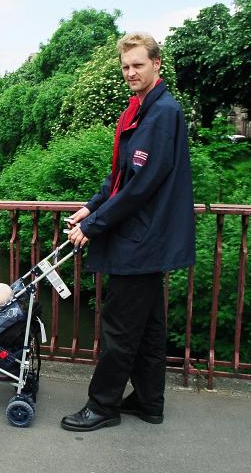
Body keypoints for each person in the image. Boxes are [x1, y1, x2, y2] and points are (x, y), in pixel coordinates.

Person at [60, 32, 196, 432]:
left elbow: (141, 185)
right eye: (125, 67)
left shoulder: (161, 113)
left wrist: (95, 225)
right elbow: (121, 175)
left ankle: (102, 406)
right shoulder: (142, 110)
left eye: (138, 64)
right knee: (150, 328)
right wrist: (91, 206)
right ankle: (150, 401)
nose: (131, 72)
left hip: (140, 239)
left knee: (118, 329)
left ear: (157, 64)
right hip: (146, 238)